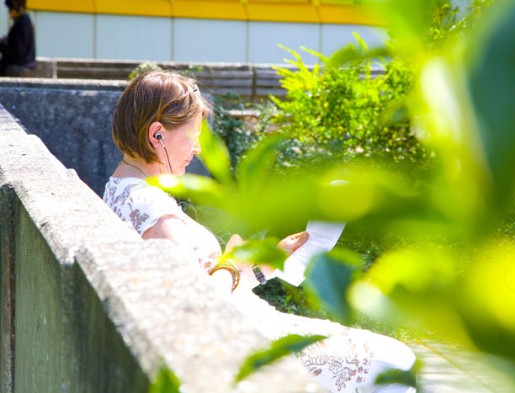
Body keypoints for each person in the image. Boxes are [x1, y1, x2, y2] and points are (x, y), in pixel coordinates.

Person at [103, 70, 417, 392]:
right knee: (396, 362)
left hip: (242, 330)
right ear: (158, 135)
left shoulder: (123, 189)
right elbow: (195, 309)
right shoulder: (154, 214)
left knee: (392, 360)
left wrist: (264, 267)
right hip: (243, 346)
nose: (197, 148)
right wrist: (231, 263)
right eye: (193, 135)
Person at [0, 0, 35, 77]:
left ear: (20, 8)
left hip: (17, 67)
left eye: (11, 9)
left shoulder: (22, 24)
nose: (9, 12)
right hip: (23, 66)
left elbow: (16, 50)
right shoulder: (24, 21)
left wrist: (2, 46)